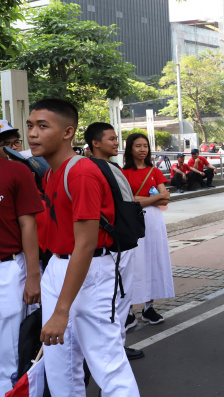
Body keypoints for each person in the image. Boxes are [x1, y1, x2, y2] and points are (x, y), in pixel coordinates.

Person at [27, 99, 139, 396]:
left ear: (68, 132)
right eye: (30, 126)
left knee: (107, 362)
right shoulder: (51, 172)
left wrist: (61, 311)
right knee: (59, 363)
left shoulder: (81, 173)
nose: (32, 134)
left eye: (42, 126)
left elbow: (86, 244)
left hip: (90, 271)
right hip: (59, 266)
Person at [84, 122, 145, 361]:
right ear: (96, 143)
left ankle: (112, 345)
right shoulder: (105, 169)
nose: (116, 143)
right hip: (116, 245)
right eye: (111, 139)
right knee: (119, 298)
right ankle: (115, 346)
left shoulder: (92, 167)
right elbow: (125, 205)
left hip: (108, 245)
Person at [0, 138, 43, 393]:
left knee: (9, 351)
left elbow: (28, 225)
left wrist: (33, 276)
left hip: (7, 271)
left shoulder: (17, 171)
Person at [121, 133, 175, 326]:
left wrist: (142, 200)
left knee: (153, 259)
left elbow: (166, 197)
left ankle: (148, 307)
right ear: (130, 149)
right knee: (133, 263)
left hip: (154, 221)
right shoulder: (123, 173)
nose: (142, 149)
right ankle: (128, 310)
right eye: (138, 146)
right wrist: (154, 199)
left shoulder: (154, 171)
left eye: (145, 146)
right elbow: (127, 200)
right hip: (134, 221)